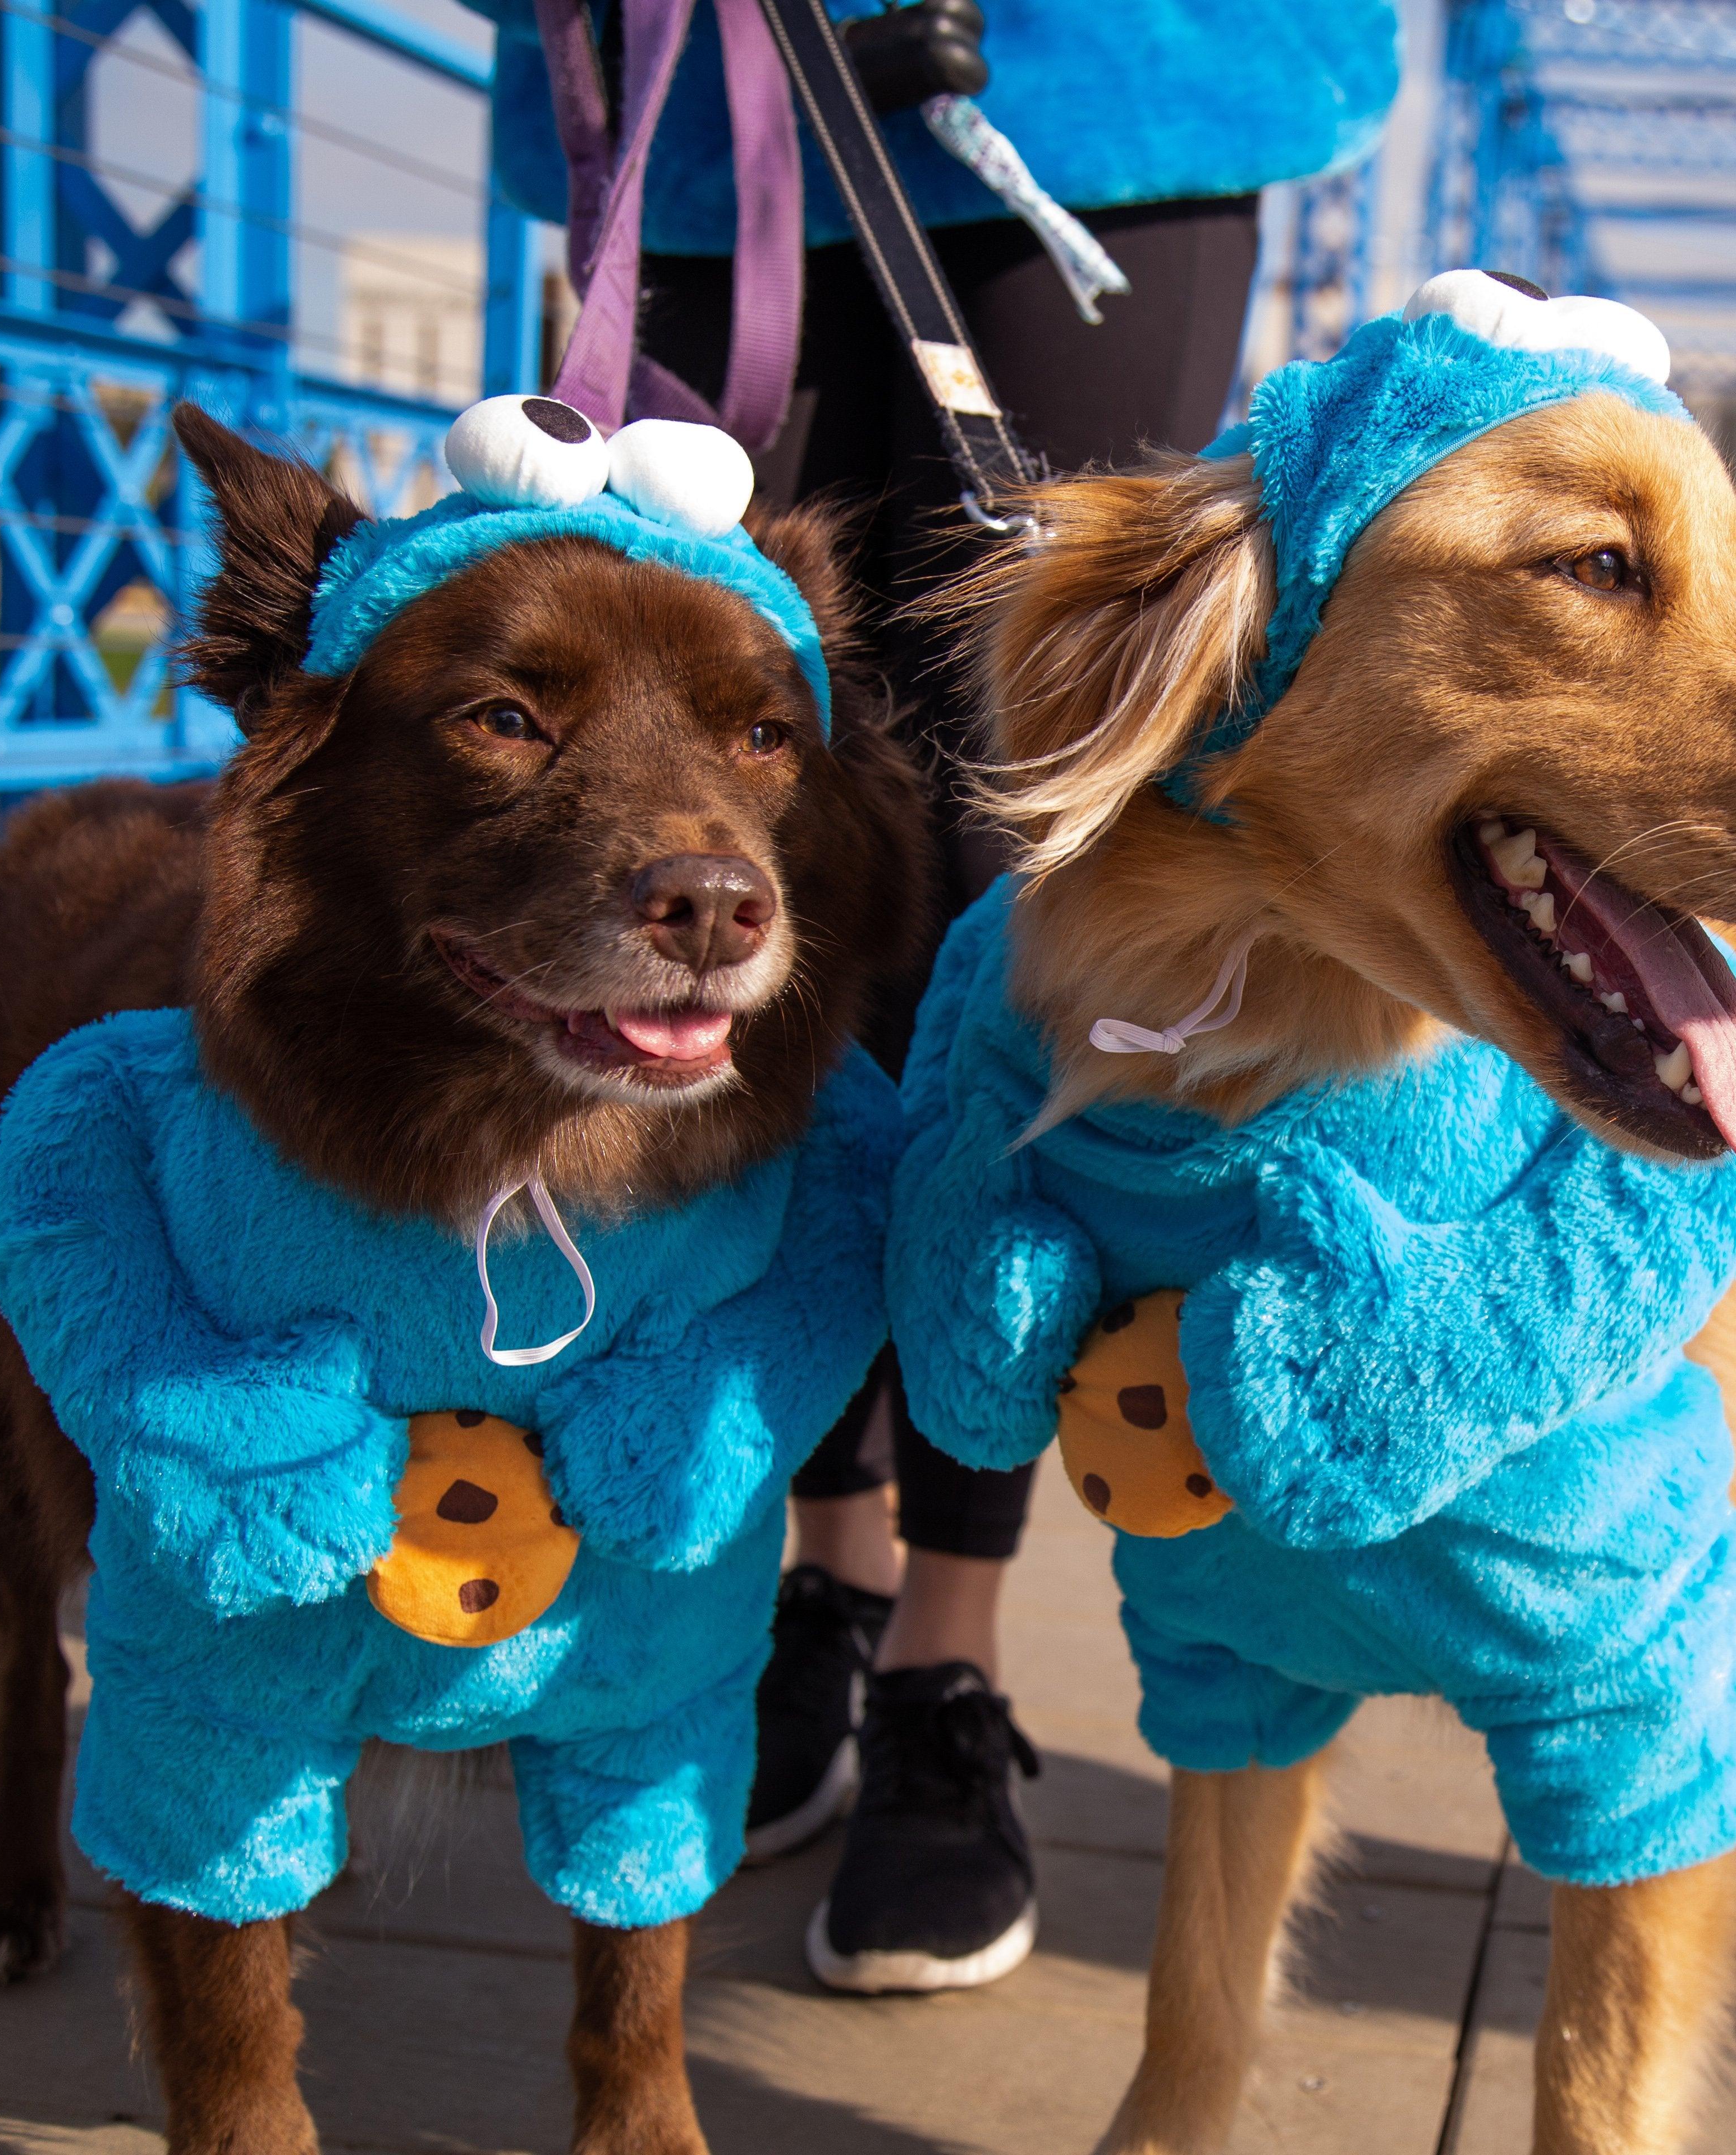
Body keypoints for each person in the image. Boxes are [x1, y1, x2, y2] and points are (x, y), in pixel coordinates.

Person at [466, 0, 1400, 1994]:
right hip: (707, 98)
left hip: (1092, 92)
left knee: (1019, 856)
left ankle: (950, 1661)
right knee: (744, 821)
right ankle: (825, 1578)